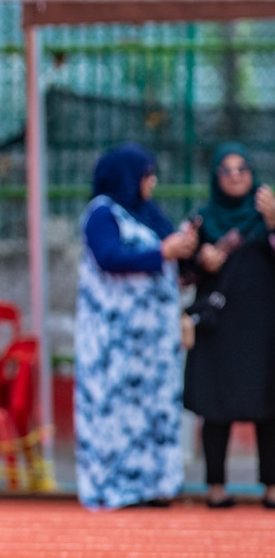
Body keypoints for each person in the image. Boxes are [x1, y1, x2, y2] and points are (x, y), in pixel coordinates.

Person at [75, 143, 197, 510]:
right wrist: (162, 253)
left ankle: (155, 485)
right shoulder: (102, 213)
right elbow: (110, 257)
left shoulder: (150, 215)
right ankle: (113, 488)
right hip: (115, 337)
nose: (153, 181)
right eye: (147, 174)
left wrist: (189, 250)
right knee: (116, 410)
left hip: (154, 340)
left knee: (155, 407)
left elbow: (171, 262)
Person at [182, 143, 275, 508]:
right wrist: (201, 261)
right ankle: (215, 487)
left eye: (243, 169)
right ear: (215, 177)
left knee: (269, 405)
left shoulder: (265, 215)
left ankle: (271, 486)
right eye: (227, 170)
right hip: (218, 326)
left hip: (264, 325)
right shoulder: (202, 218)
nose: (236, 177)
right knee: (214, 405)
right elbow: (181, 274)